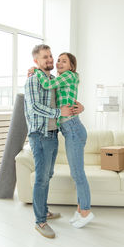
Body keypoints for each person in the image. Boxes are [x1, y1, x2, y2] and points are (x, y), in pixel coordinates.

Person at [29, 52, 95, 229]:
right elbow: (67, 99)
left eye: (63, 61)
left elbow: (48, 83)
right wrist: (80, 105)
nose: (58, 62)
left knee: (77, 174)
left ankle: (86, 211)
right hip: (70, 128)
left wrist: (36, 71)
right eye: (58, 60)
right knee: (76, 173)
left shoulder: (67, 76)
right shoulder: (66, 79)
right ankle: (80, 210)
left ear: (71, 66)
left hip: (73, 128)